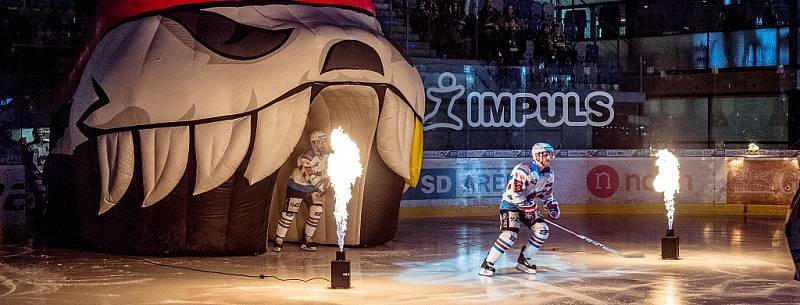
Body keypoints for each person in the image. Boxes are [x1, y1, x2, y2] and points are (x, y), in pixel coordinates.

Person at [478, 142, 560, 276]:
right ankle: (488, 263)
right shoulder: (523, 169)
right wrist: (528, 207)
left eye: (551, 155)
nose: (549, 158)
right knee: (510, 234)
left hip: (528, 206)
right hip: (511, 204)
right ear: (537, 156)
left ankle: (524, 260)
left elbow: (546, 195)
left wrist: (552, 207)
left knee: (542, 230)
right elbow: (514, 194)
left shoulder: (548, 174)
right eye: (546, 155)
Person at [273, 131, 332, 252]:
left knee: (317, 210)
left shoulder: (328, 155)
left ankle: (307, 239)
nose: (324, 144)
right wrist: (324, 186)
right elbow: (310, 177)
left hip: (312, 189)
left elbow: (328, 171)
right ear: (314, 143)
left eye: (325, 141)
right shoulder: (306, 157)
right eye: (321, 142)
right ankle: (278, 239)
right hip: (297, 188)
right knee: (289, 214)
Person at [24, 127, 49, 226]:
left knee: (47, 197)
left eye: (42, 134)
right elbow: (27, 163)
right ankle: (40, 220)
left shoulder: (48, 145)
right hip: (36, 175)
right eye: (38, 134)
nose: (40, 136)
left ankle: (44, 219)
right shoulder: (30, 147)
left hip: (47, 175)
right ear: (34, 135)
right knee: (41, 197)